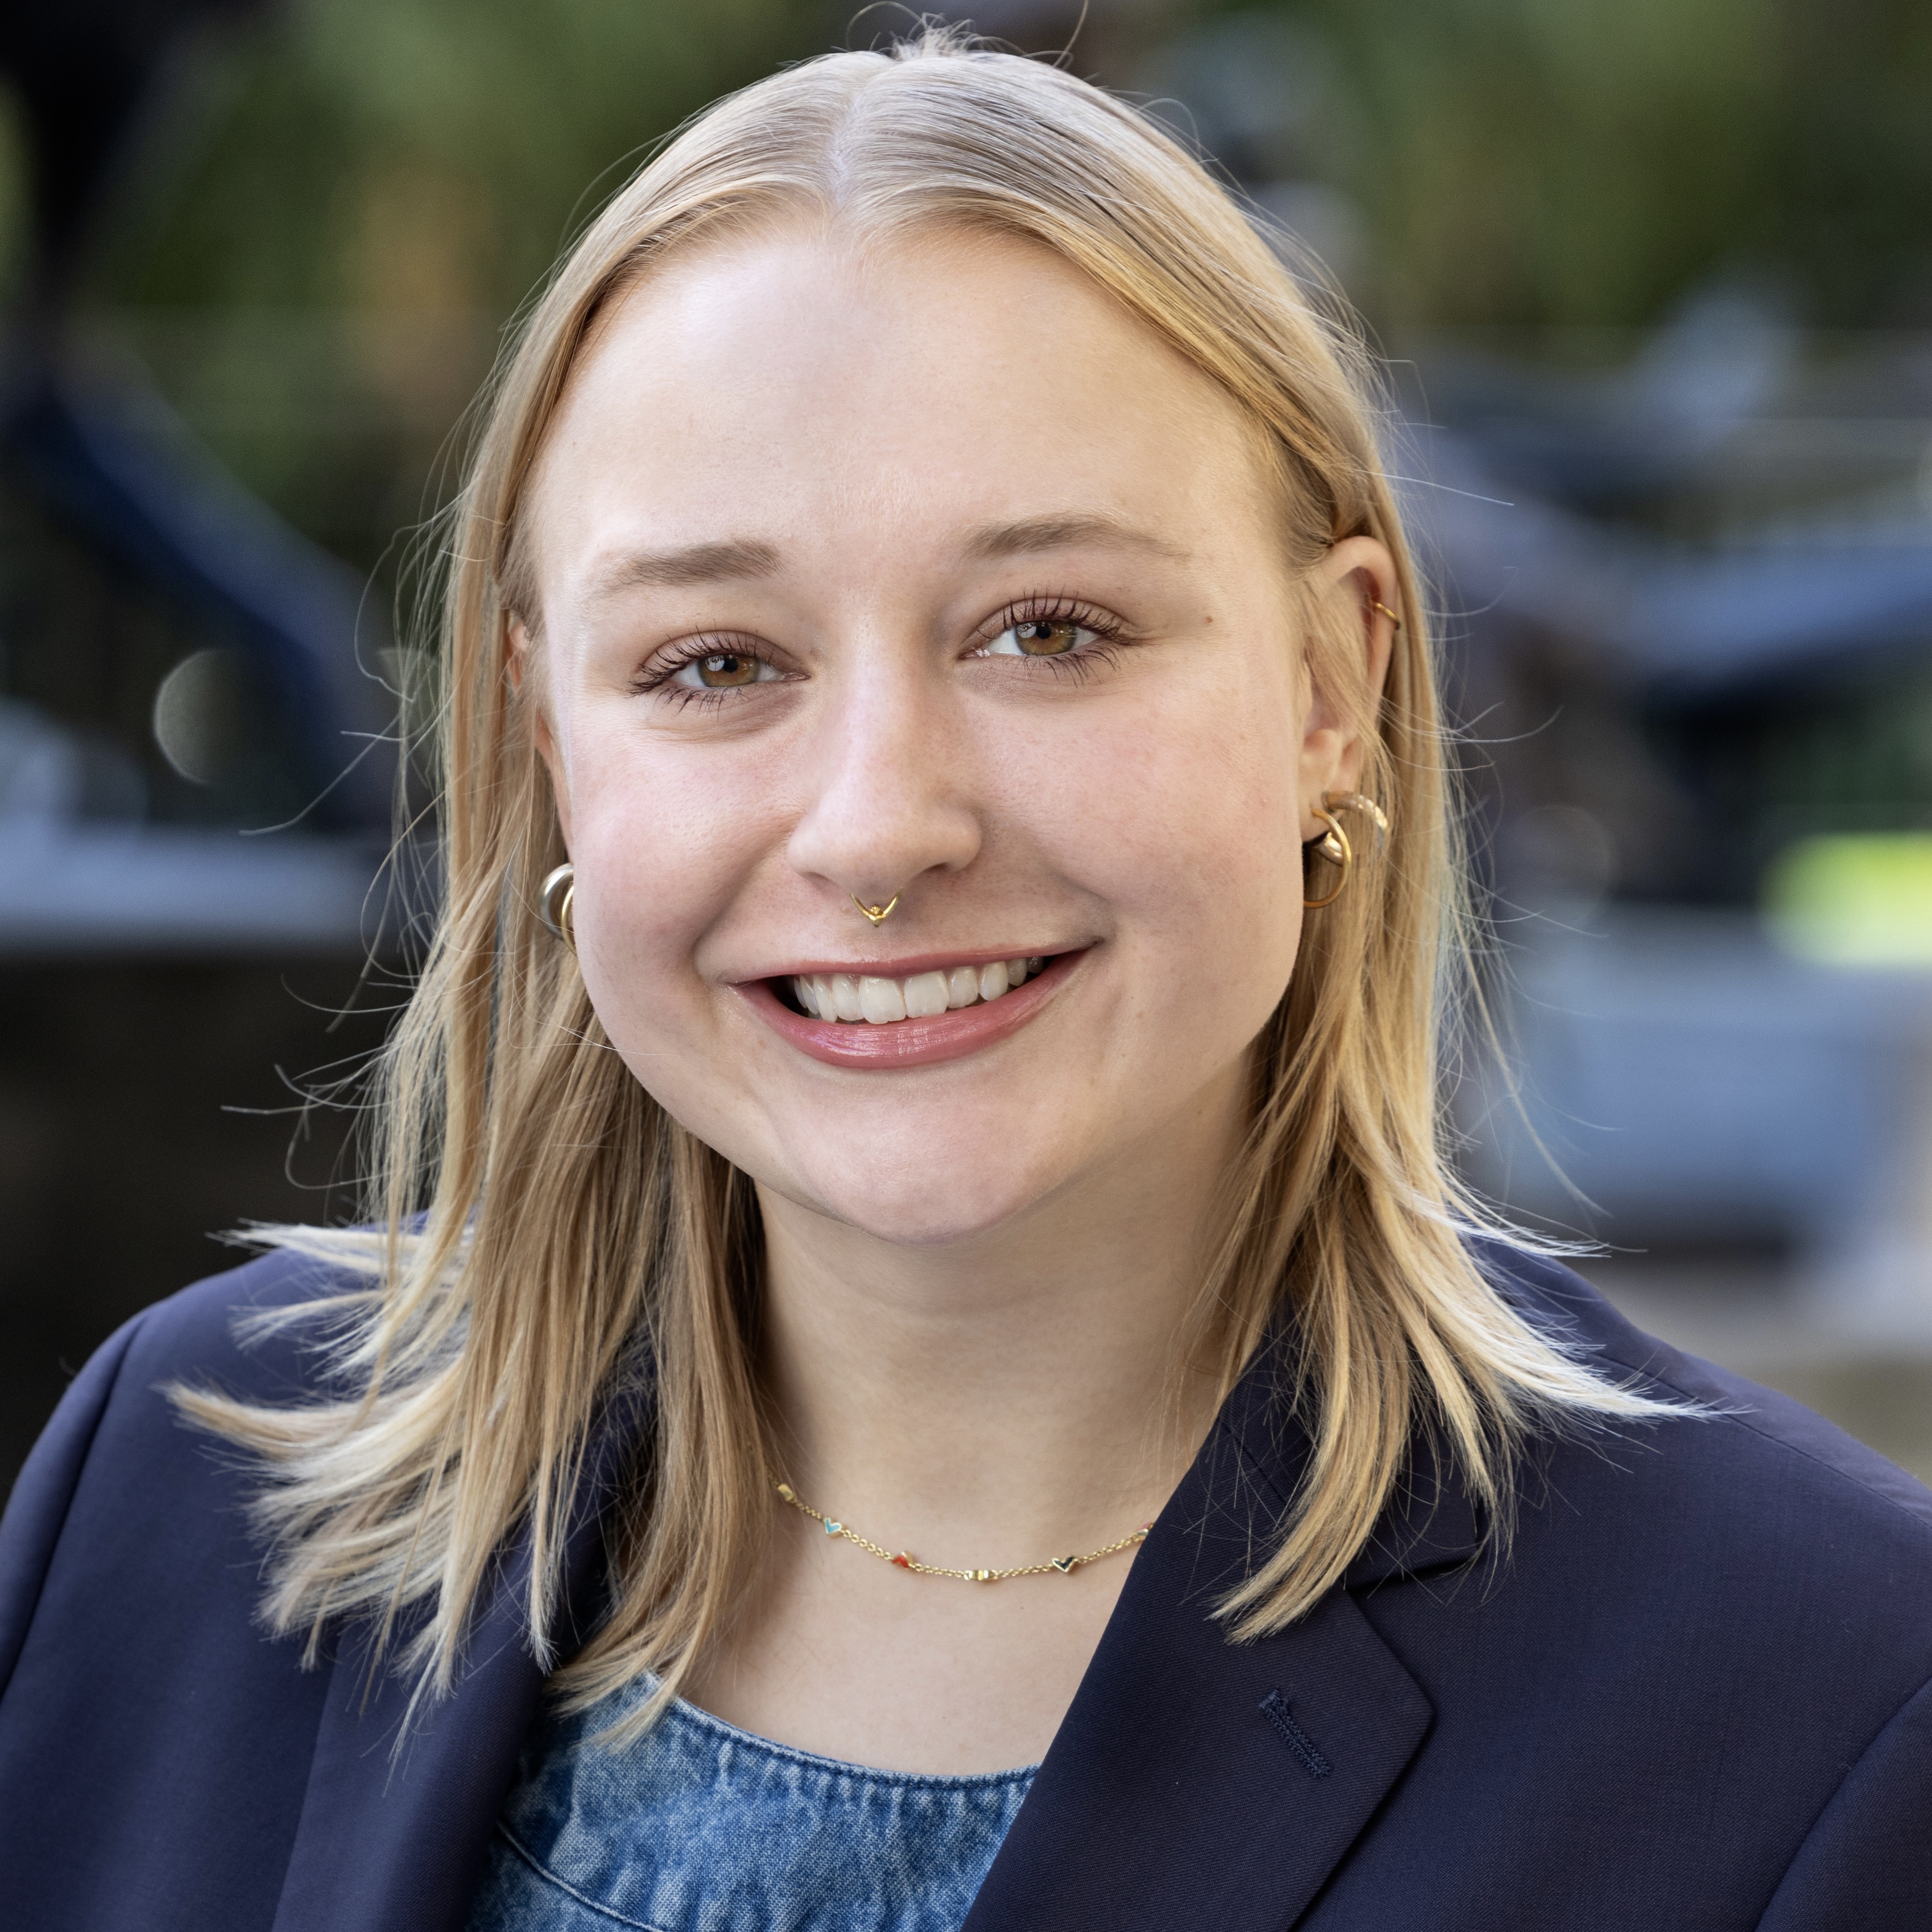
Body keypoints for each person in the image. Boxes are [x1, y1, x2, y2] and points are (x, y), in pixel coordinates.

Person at [3, 33, 1930, 1932]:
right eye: (712, 662)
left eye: (1048, 629)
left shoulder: (1826, 1704)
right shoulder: (164, 1489)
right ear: (542, 739)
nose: (875, 825)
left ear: (1333, 688)